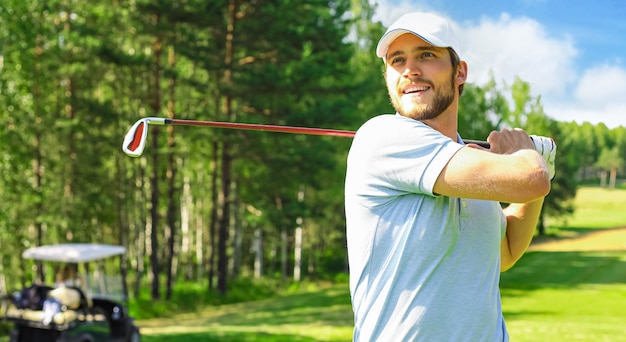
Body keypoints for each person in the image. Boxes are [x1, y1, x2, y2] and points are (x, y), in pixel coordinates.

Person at [344, 11, 556, 341]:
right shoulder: (381, 136)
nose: (410, 70)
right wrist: (526, 155)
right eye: (397, 60)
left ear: (460, 72)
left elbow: (505, 252)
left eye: (426, 55)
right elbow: (530, 179)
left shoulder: (471, 164)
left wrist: (540, 163)